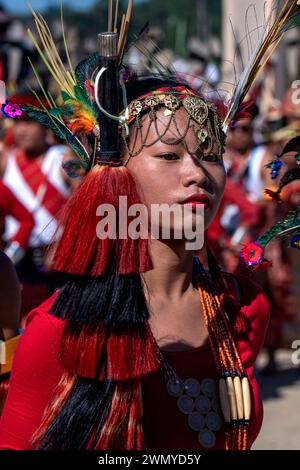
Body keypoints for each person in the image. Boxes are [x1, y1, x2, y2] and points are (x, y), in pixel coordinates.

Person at [3, 0, 298, 451]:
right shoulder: (58, 332)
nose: (197, 173)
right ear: (116, 172)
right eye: (169, 155)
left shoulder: (243, 309)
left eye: (211, 155)